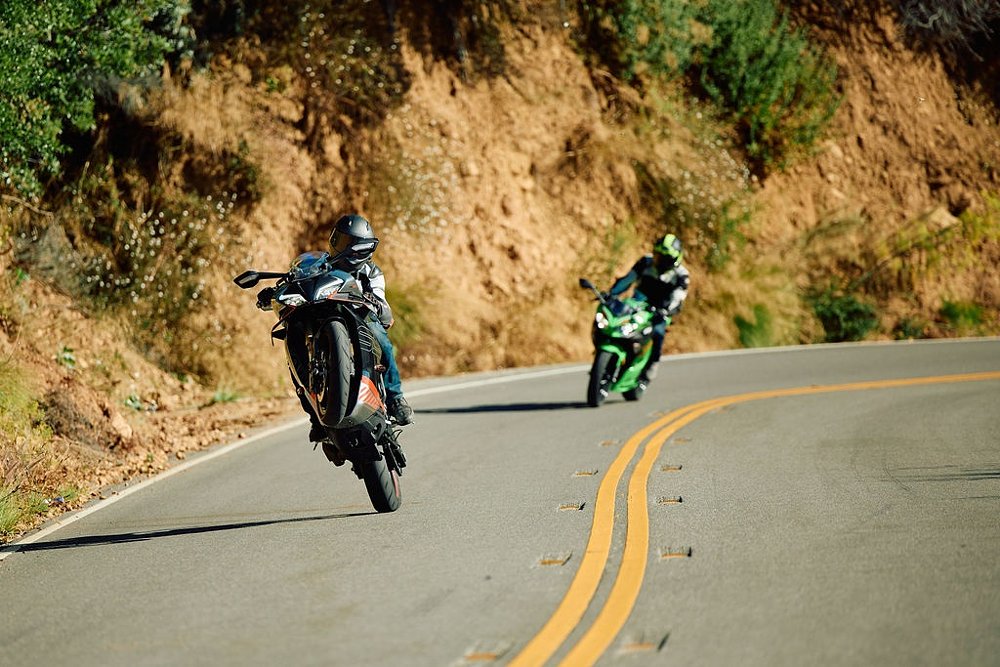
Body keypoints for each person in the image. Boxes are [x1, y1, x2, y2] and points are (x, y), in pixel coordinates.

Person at [263, 214, 414, 441]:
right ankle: (316, 418)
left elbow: (382, 303)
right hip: (323, 312)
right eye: (348, 244)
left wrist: (375, 302)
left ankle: (395, 398)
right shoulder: (319, 264)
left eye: (360, 247)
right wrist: (276, 291)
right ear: (336, 241)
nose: (354, 252)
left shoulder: (371, 273)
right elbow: (297, 278)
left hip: (360, 317)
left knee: (382, 340)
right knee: (292, 355)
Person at [607, 233, 690, 384]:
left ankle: (653, 363)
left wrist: (666, 311)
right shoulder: (646, 262)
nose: (659, 260)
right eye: (658, 255)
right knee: (617, 318)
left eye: (664, 258)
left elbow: (678, 298)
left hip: (661, 310)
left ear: (674, 259)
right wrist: (611, 293)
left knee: (658, 332)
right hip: (638, 302)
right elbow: (628, 279)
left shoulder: (681, 275)